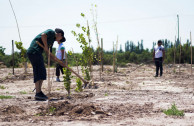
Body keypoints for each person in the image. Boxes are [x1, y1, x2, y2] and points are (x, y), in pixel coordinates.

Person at [27, 28, 66, 100]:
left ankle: (39, 92)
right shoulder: (51, 32)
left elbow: (50, 56)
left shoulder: (51, 42)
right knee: (38, 71)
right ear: (59, 34)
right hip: (34, 51)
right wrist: (45, 47)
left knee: (42, 72)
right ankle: (38, 93)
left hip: (38, 53)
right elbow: (43, 35)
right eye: (61, 38)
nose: (60, 40)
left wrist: (60, 62)